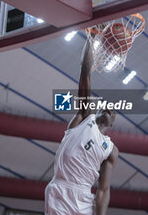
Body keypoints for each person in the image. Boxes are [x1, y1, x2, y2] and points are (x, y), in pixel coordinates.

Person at [45, 40, 119, 215]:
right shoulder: (85, 118)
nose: (109, 109)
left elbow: (103, 189)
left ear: (112, 123)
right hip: (61, 190)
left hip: (85, 196)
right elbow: (85, 70)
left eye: (114, 111)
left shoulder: (111, 149)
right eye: (106, 106)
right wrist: (92, 38)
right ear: (97, 110)